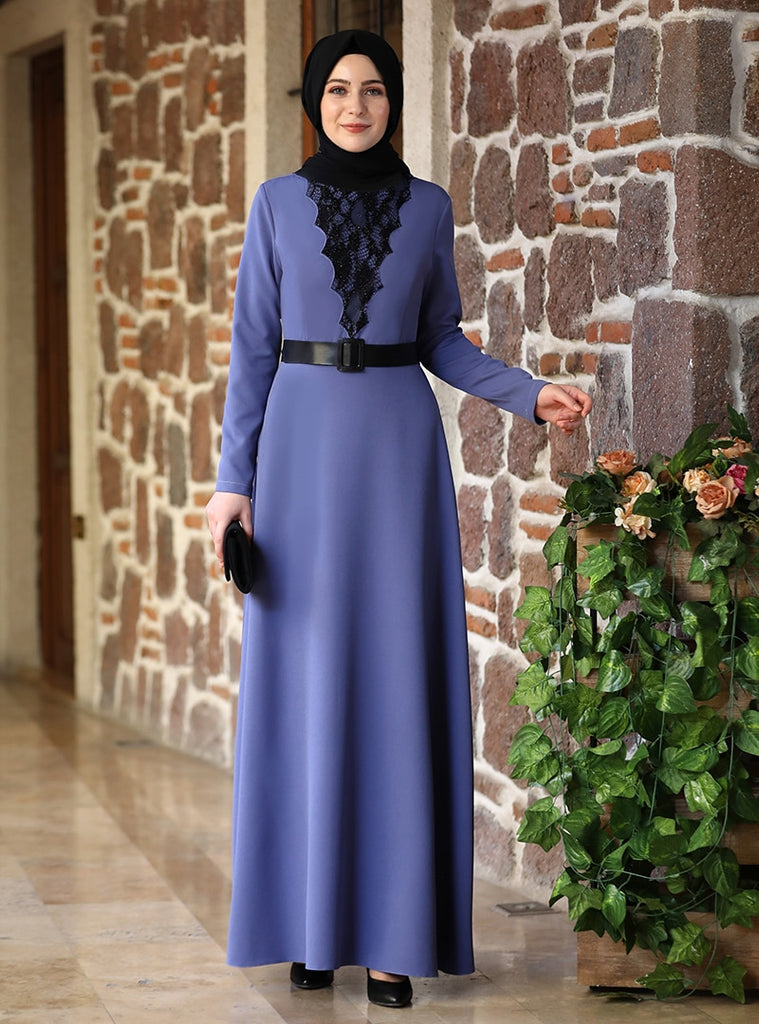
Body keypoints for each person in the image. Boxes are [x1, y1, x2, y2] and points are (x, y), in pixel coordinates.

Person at [206, 29, 591, 1010]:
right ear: (314, 101)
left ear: (393, 103)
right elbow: (252, 350)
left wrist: (527, 393)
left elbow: (441, 340)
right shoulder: (276, 204)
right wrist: (231, 484)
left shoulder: (428, 207)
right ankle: (307, 925)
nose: (355, 105)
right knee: (302, 687)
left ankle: (390, 937)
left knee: (391, 680)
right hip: (296, 453)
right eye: (339, 89)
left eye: (373, 90)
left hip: (395, 457)